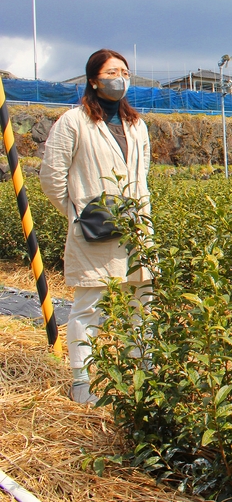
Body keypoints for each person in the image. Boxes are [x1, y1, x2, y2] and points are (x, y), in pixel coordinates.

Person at [40, 49, 152, 405]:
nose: (119, 78)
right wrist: (80, 215)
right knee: (90, 304)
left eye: (124, 71)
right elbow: (51, 177)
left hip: (135, 228)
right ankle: (82, 381)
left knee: (143, 300)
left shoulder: (136, 124)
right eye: (111, 72)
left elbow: (143, 174)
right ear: (94, 80)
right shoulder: (73, 122)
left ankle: (142, 374)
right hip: (95, 231)